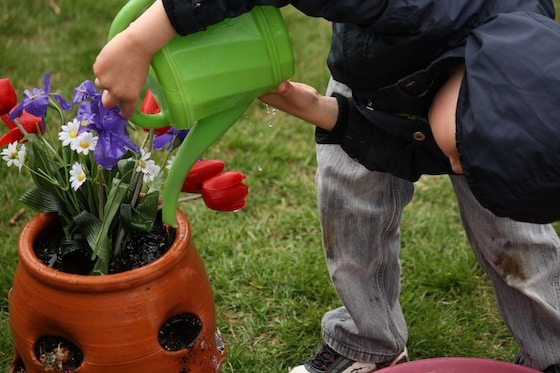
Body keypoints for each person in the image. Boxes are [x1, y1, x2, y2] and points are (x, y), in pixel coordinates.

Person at [93, 1, 560, 372]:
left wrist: (322, 111)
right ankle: (368, 339)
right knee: (351, 201)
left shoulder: (524, 84)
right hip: (375, 70)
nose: (453, 168)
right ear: (475, 95)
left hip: (432, 82)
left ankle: (552, 350)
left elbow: (425, 145)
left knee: (514, 233)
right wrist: (143, 36)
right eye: (461, 155)